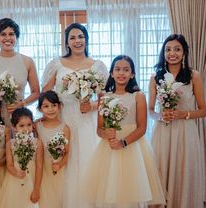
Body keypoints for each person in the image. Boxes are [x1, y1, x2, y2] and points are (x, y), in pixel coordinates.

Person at [82, 55, 166, 208]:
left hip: (132, 147)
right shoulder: (104, 97)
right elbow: (99, 129)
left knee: (131, 190)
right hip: (109, 148)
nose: (121, 73)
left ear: (132, 74)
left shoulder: (138, 96)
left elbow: (142, 127)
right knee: (111, 190)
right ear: (112, 73)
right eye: (118, 69)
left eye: (126, 70)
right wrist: (106, 134)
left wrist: (123, 142)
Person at [41, 23, 108, 208]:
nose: (77, 41)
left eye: (81, 37)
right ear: (67, 42)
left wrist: (92, 105)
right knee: (64, 160)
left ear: (86, 40)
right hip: (64, 119)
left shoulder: (98, 66)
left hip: (88, 121)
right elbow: (45, 94)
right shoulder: (56, 64)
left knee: (88, 161)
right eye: (72, 37)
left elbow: (106, 99)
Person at [148, 34, 206, 208]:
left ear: (184, 52)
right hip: (163, 131)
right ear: (163, 52)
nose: (172, 53)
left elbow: (203, 110)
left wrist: (184, 114)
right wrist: (160, 116)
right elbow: (150, 110)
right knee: (160, 170)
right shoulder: (155, 77)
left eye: (177, 49)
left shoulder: (193, 76)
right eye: (168, 49)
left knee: (182, 171)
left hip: (185, 132)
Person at [0, 107, 43, 208]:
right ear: (14, 127)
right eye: (21, 126)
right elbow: (9, 164)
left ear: (33, 125)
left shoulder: (38, 143)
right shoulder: (10, 144)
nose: (26, 129)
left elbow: (39, 166)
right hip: (14, 180)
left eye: (29, 125)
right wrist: (16, 173)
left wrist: (36, 189)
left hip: (31, 180)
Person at [35, 90, 70, 208]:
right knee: (44, 199)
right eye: (46, 106)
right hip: (40, 168)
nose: (50, 109)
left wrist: (59, 165)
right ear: (40, 109)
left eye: (54, 105)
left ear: (59, 106)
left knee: (57, 199)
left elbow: (67, 153)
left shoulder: (64, 128)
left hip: (57, 169)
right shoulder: (36, 125)